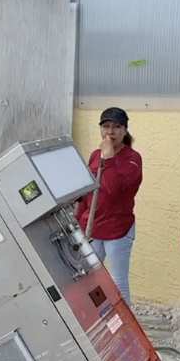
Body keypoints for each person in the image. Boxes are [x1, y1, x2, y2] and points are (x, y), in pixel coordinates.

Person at [75, 108, 144, 304]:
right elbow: (89, 191)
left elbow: (114, 188)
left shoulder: (133, 158)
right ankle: (96, 320)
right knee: (89, 278)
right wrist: (79, 220)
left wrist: (109, 157)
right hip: (93, 227)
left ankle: (126, 327)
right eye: (106, 126)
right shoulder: (95, 155)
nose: (110, 132)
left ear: (125, 130)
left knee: (117, 280)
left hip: (118, 229)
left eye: (116, 127)